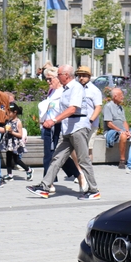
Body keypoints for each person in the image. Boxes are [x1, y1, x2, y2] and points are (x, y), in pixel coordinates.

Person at [26, 64, 101, 200]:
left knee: (83, 159)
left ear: (66, 75)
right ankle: (45, 186)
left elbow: (72, 109)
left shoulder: (76, 88)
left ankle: (93, 190)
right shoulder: (66, 89)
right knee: (57, 158)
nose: (57, 77)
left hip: (78, 128)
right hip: (67, 129)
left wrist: (54, 120)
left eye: (59, 74)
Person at [37, 67, 82, 194]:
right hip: (47, 126)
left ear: (57, 78)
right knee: (56, 155)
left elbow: (67, 110)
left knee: (52, 156)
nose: (47, 81)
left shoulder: (63, 92)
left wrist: (54, 121)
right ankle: (77, 175)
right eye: (46, 79)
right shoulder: (52, 91)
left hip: (56, 126)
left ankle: (47, 184)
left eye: (50, 78)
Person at [103, 88, 131, 169]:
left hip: (122, 130)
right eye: (121, 95)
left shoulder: (121, 107)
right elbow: (109, 124)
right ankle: (122, 160)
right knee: (123, 136)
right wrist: (121, 131)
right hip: (111, 131)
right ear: (115, 96)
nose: (123, 97)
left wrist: (127, 131)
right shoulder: (108, 106)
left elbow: (124, 122)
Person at [75, 66, 103, 165]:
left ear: (89, 77)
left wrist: (90, 120)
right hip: (79, 123)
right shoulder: (77, 88)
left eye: (83, 76)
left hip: (90, 124)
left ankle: (87, 170)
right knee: (79, 148)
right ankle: (79, 171)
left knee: (88, 148)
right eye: (79, 76)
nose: (81, 78)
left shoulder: (94, 90)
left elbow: (98, 107)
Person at [0, 102, 33, 182]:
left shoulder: (18, 122)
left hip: (15, 143)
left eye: (9, 112)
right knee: (8, 158)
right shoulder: (8, 120)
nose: (8, 114)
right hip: (8, 142)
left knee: (16, 160)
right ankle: (9, 174)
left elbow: (20, 135)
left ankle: (28, 170)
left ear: (15, 112)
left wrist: (12, 132)